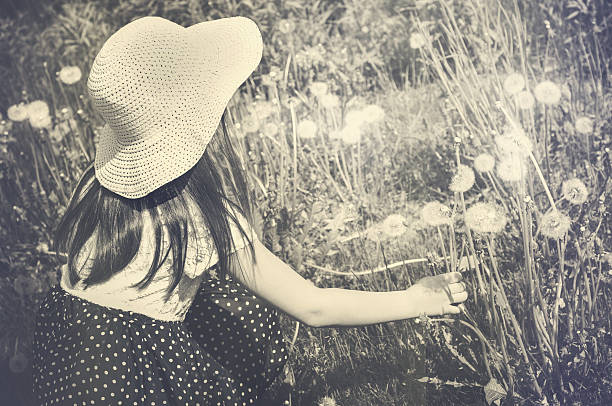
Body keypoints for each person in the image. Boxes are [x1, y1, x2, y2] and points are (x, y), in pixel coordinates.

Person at [32, 15, 468, 406]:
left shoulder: (95, 184)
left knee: (224, 299)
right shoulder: (204, 216)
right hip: (131, 380)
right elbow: (312, 307)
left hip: (68, 357)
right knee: (249, 312)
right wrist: (415, 300)